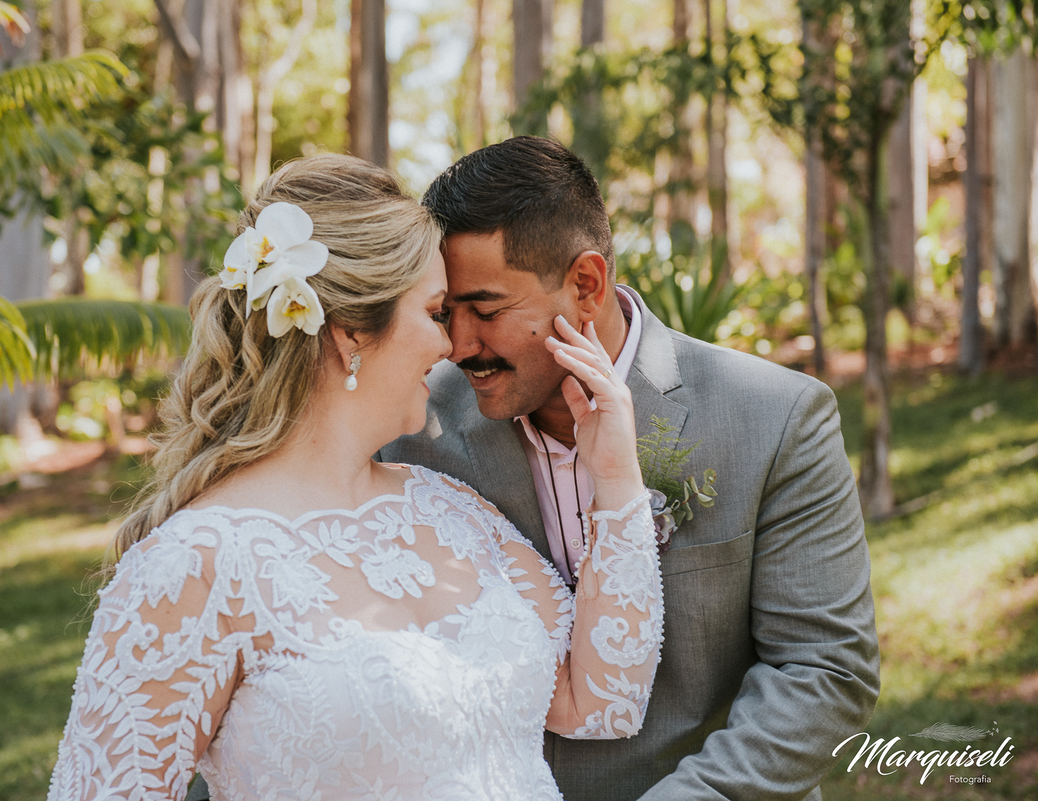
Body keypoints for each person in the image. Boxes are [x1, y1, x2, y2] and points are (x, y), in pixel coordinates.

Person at [47, 154, 666, 800]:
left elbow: (601, 700)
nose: (451, 345)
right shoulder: (196, 565)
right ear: (350, 335)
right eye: (434, 313)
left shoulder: (453, 509)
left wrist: (615, 476)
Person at [380, 136, 880, 800]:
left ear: (586, 283)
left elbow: (824, 671)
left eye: (488, 311)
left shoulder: (777, 418)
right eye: (447, 314)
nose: (460, 344)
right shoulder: (413, 427)